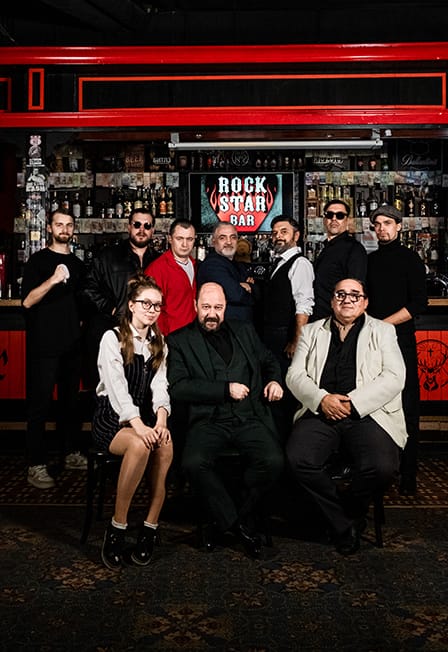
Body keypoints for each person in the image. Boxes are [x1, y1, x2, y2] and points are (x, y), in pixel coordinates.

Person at [286, 278, 407, 555]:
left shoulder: (383, 331)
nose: (347, 299)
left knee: (382, 467)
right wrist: (321, 399)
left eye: (355, 295)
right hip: (321, 409)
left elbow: (395, 376)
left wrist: (354, 403)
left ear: (365, 302)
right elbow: (294, 375)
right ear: (332, 301)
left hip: (367, 412)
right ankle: (345, 525)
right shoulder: (312, 331)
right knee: (297, 459)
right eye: (341, 294)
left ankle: (348, 511)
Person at [167, 282, 284, 557]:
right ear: (195, 306)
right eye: (206, 307)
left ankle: (225, 519)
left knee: (274, 461)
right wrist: (224, 390)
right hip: (208, 420)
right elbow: (178, 387)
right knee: (193, 463)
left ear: (226, 307)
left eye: (218, 307)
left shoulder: (244, 330)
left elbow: (269, 360)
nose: (212, 313)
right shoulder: (179, 340)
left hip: (248, 417)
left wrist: (274, 380)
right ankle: (239, 525)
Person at [93, 274, 172, 570]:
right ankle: (117, 528)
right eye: (146, 304)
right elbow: (117, 391)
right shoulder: (112, 338)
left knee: (165, 445)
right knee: (140, 445)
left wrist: (161, 420)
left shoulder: (159, 344)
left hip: (145, 417)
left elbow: (160, 387)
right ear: (132, 305)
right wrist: (138, 426)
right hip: (112, 418)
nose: (152, 310)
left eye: (157, 305)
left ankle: (150, 527)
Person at [22, 209, 87, 489]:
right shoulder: (38, 261)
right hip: (44, 345)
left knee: (70, 404)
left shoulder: (79, 264)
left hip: (72, 344)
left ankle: (69, 453)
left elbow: (83, 305)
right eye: (59, 224)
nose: (64, 229)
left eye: (69, 225)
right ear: (50, 228)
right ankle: (35, 464)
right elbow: (27, 301)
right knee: (40, 405)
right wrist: (52, 280)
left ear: (74, 229)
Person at [367, 205, 428, 496]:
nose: (382, 228)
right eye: (377, 224)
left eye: (387, 223)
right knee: (374, 403)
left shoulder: (410, 259)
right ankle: (380, 467)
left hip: (400, 340)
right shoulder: (370, 260)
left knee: (407, 406)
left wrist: (383, 325)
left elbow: (419, 303)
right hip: (373, 342)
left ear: (399, 226)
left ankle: (408, 474)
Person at [83, 207, 158, 388]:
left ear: (153, 230)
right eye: (137, 225)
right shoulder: (108, 256)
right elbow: (87, 287)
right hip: (112, 329)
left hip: (145, 333)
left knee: (141, 384)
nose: (142, 230)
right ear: (128, 227)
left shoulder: (159, 260)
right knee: (109, 385)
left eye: (147, 226)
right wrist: (111, 308)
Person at [262, 215, 315, 440]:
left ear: (296, 235)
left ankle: (287, 446)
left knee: (285, 394)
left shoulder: (300, 264)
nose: (278, 236)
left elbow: (304, 306)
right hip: (272, 338)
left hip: (284, 338)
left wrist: (296, 341)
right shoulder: (279, 262)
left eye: (284, 231)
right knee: (273, 390)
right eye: (275, 232)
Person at [312, 199, 367, 320]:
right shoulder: (326, 247)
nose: (334, 219)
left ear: (347, 220)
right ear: (324, 219)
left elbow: (355, 290)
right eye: (329, 215)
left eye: (340, 215)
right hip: (319, 319)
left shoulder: (354, 249)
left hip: (337, 320)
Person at [144, 218, 197, 336]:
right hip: (171, 337)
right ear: (170, 239)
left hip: (193, 334)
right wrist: (163, 338)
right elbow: (151, 310)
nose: (185, 244)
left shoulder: (195, 265)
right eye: (179, 239)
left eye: (189, 239)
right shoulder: (157, 269)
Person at [197, 222, 254, 321]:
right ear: (213, 242)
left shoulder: (236, 264)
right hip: (224, 326)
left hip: (240, 326)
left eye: (233, 237)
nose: (229, 242)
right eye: (222, 238)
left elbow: (257, 290)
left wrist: (250, 287)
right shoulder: (212, 265)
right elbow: (236, 295)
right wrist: (246, 287)